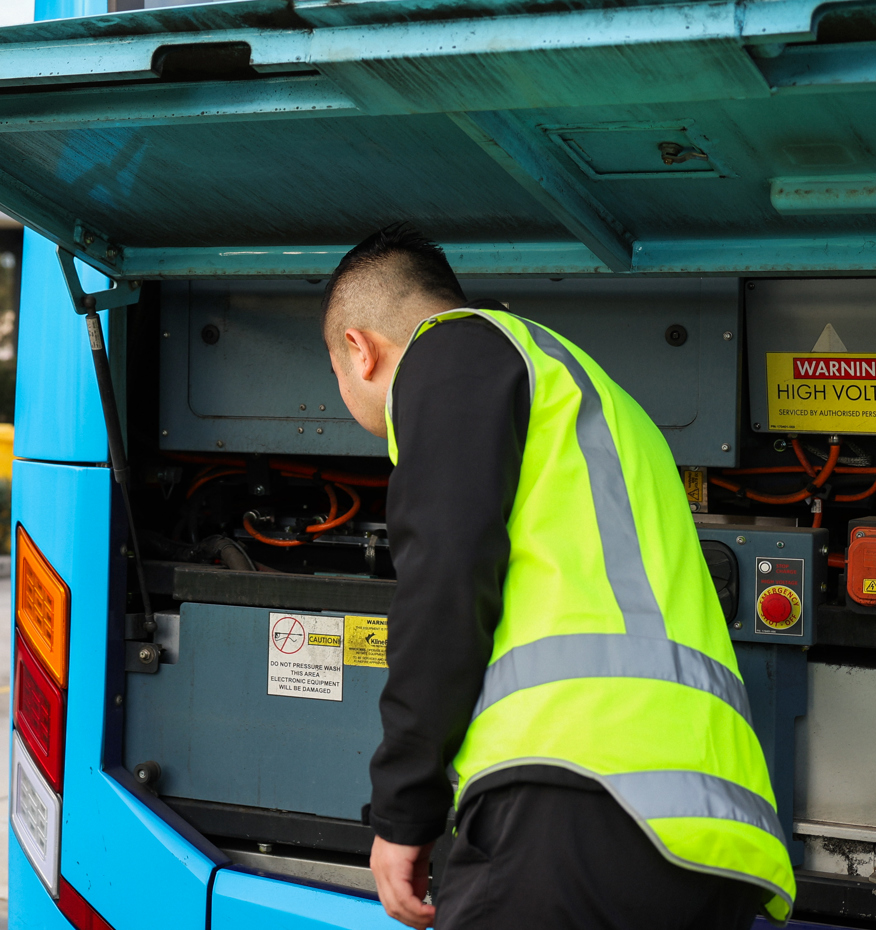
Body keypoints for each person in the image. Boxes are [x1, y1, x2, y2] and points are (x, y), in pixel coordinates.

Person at [323, 226, 794, 930]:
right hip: (708, 843)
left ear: (360, 350)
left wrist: (402, 809)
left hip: (572, 800)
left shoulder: (452, 349)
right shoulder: (588, 393)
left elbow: (444, 583)